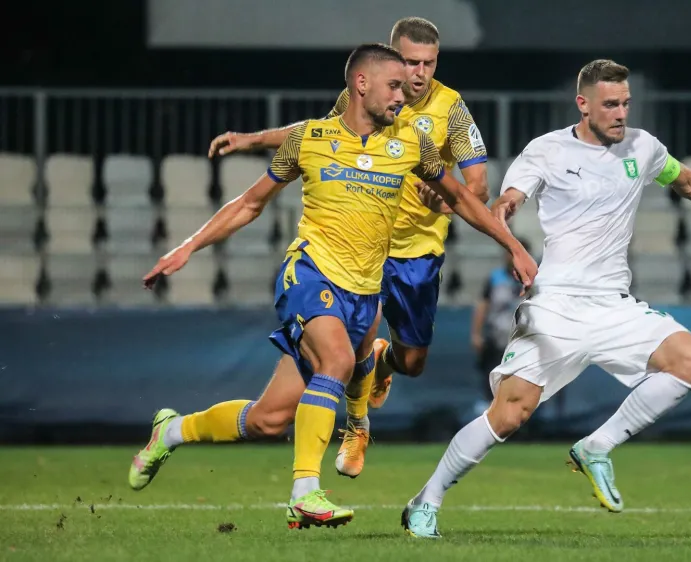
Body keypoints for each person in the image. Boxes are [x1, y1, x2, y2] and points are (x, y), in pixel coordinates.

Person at [127, 43, 537, 531]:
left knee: (268, 420)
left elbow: (463, 200)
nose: (402, 97)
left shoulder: (412, 144)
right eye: (393, 87)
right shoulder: (311, 138)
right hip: (310, 274)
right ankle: (305, 492)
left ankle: (169, 431)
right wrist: (187, 248)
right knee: (339, 363)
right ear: (361, 84)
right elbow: (249, 203)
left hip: (365, 295)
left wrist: (511, 244)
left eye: (406, 90)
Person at [401, 59, 691, 539]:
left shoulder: (642, 147)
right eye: (610, 104)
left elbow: (685, 180)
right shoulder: (546, 150)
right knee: (509, 413)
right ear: (583, 104)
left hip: (613, 304)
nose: (620, 112)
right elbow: (510, 199)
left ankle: (596, 447)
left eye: (625, 102)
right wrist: (506, 221)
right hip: (556, 302)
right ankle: (426, 499)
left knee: (690, 362)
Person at [207, 17, 490, 478]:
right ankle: (353, 429)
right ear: (393, 59)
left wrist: (444, 199)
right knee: (341, 355)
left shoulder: (452, 109)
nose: (418, 73)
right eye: (410, 62)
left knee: (413, 363)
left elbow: (476, 183)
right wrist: (255, 138)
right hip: (358, 249)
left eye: (429, 63)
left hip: (416, 252)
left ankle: (382, 362)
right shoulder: (372, 98)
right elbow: (319, 131)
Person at [471, 241, 531, 404]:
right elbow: (483, 304)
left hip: (522, 343)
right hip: (497, 339)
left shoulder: (532, 279)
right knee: (493, 382)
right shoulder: (495, 278)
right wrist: (476, 334)